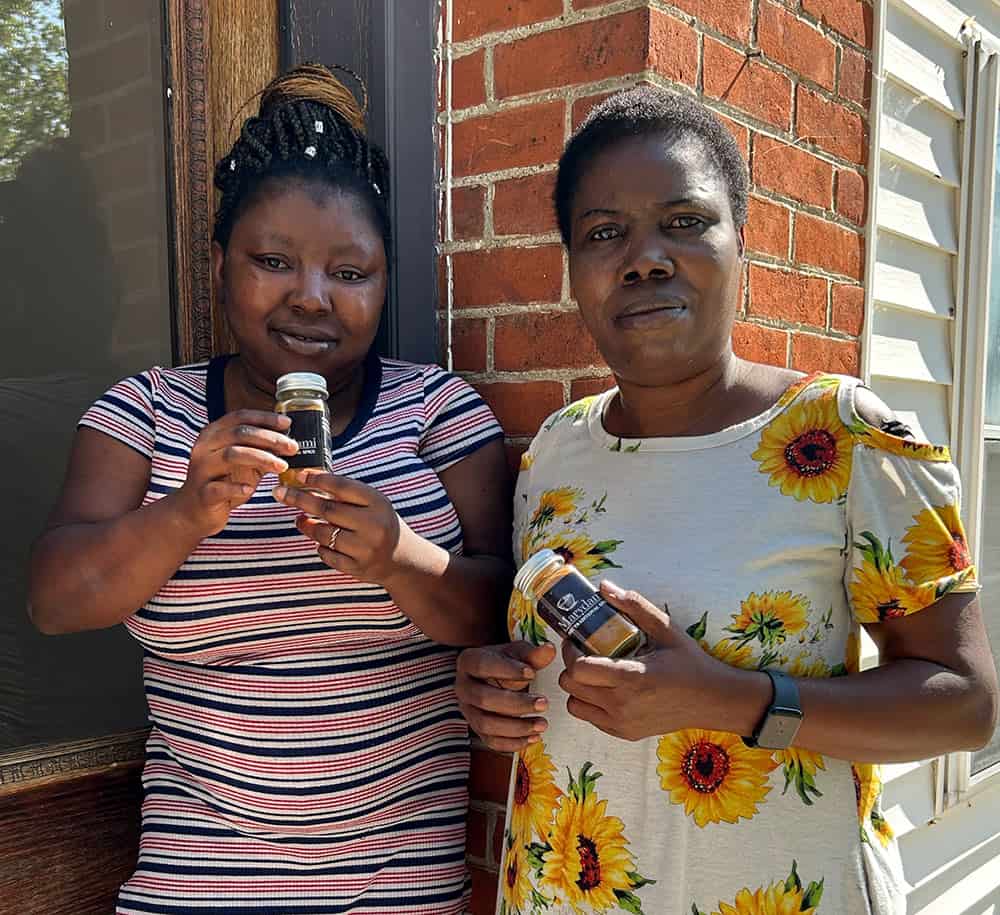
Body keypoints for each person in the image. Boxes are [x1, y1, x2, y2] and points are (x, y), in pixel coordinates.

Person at [456, 87, 999, 915]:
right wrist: (495, 687)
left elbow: (965, 706)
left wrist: (725, 696)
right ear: (573, 271)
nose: (644, 257)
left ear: (740, 241)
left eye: (684, 221)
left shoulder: (847, 438)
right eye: (605, 233)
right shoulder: (556, 451)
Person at [29, 63, 512, 915]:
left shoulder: (436, 410)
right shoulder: (146, 411)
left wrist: (402, 559)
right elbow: (56, 600)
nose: (313, 298)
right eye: (274, 261)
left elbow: (505, 614)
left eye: (351, 272)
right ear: (221, 262)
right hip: (199, 874)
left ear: (385, 278)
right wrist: (186, 512)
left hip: (394, 882)